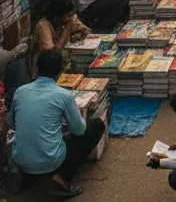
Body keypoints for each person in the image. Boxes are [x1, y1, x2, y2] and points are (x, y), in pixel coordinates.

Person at [10, 49, 106, 199]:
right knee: (96, 125)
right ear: (60, 72)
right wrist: (85, 115)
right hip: (50, 161)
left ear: (37, 68)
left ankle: (28, 177)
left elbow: (12, 123)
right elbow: (79, 131)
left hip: (20, 159)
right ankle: (60, 176)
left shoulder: (20, 92)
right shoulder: (63, 95)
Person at [25, 0, 89, 81]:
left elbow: (86, 31)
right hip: (44, 68)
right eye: (69, 15)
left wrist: (78, 33)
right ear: (58, 15)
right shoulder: (43, 25)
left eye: (73, 14)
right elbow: (52, 53)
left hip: (60, 63)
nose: (71, 17)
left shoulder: (68, 19)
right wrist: (67, 31)